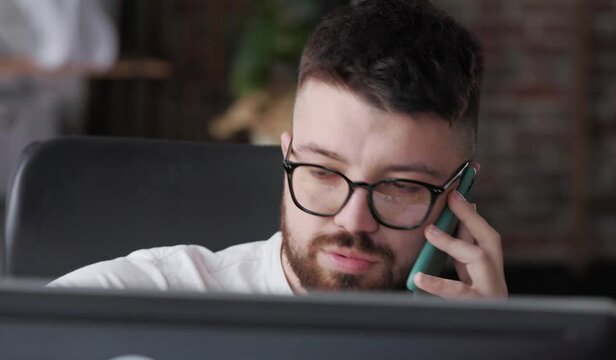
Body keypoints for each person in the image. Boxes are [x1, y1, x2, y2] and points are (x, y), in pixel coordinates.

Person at [51, 0, 508, 299]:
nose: (353, 220)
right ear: (287, 156)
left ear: (458, 194)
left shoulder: (476, 343)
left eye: (400, 186)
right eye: (324, 172)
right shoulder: (144, 297)